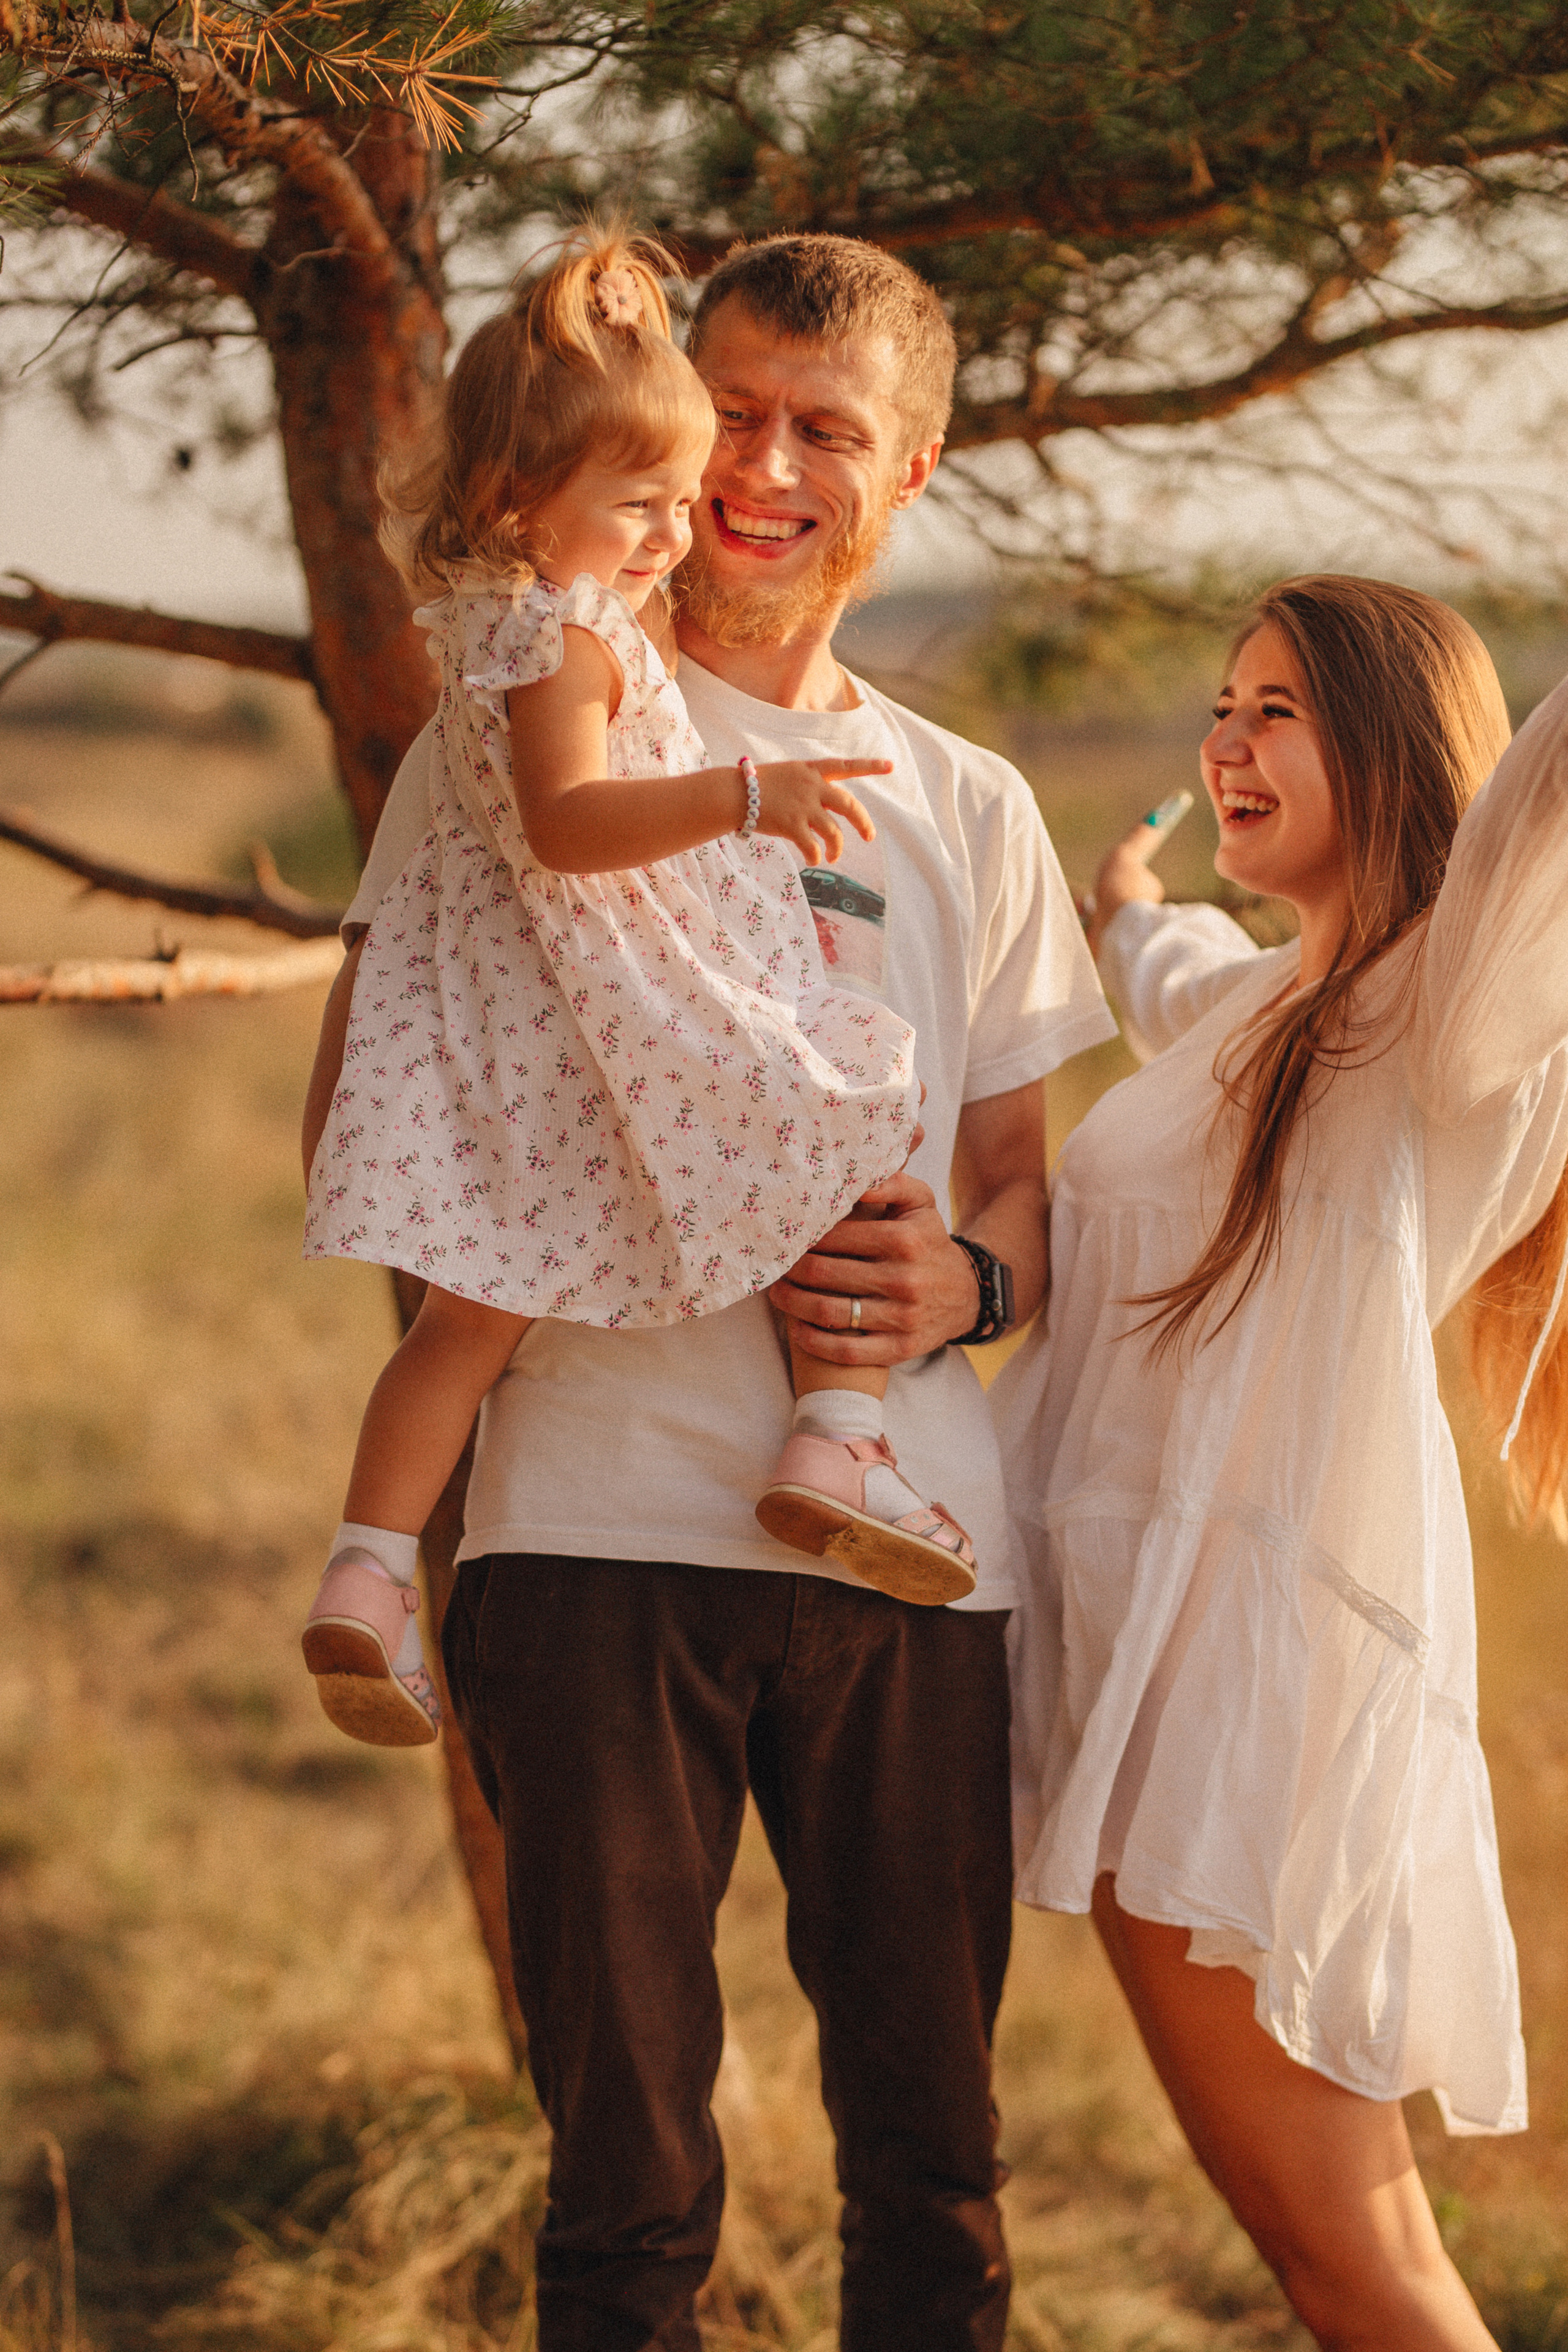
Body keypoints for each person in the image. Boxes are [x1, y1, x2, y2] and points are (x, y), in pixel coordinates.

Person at [301, 229, 1113, 2349]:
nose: (760, 470)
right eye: (730, 411)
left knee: (933, 2166)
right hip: (583, 1545)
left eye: (822, 433)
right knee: (629, 2188)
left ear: (909, 467)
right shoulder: (513, 736)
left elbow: (1027, 1184)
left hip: (915, 1572)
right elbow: (384, 1115)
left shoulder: (975, 806)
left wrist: (965, 1282)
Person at [300, 228, 986, 1749]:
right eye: (661, 491)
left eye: (823, 432)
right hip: (616, 1053)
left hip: (526, 1061)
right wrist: (749, 795)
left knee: (458, 1335)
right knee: (847, 1077)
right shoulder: (578, 640)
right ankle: (842, 1432)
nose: (693, 521)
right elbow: (563, 824)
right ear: (519, 499)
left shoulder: (493, 628)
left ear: (912, 464)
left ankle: (364, 1570)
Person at [992, 575, 1568, 2350]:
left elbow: (1545, 796)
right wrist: (1124, 907)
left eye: (1279, 711)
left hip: (1245, 1691)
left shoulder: (1445, 1014)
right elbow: (1169, 975)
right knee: (1325, 2263)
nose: (1224, 742)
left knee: (1359, 2270)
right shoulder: (1261, 1000)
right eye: (1220, 706)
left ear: (1397, 754)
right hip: (1144, 1667)